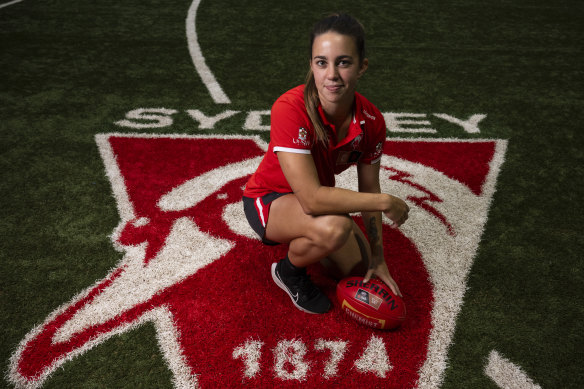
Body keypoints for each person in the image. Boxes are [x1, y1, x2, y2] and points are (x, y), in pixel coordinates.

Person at [242, 13, 409, 314]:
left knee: (355, 270)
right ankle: (288, 271)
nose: (331, 74)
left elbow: (369, 188)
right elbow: (312, 198)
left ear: (362, 67)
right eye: (322, 62)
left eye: (343, 62)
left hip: (313, 200)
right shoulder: (290, 107)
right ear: (312, 66)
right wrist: (385, 201)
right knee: (334, 229)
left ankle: (311, 235)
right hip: (268, 201)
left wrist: (378, 258)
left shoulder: (372, 121)